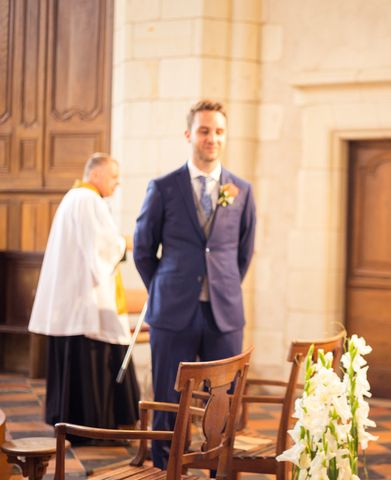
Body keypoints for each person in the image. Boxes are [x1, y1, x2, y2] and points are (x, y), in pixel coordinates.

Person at [133, 100, 256, 468]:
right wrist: (164, 287)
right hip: (173, 311)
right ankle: (165, 469)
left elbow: (243, 252)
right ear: (189, 135)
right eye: (204, 131)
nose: (212, 138)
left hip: (224, 313)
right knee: (170, 402)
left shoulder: (242, 189)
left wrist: (224, 285)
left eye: (218, 131)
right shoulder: (163, 187)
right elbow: (142, 249)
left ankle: (219, 468)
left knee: (224, 400)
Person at [28, 153, 140, 441]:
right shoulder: (88, 200)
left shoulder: (74, 197)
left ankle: (68, 421)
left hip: (72, 303)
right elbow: (101, 247)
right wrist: (125, 242)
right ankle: (89, 426)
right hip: (82, 305)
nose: (117, 183)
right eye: (114, 177)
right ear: (97, 175)